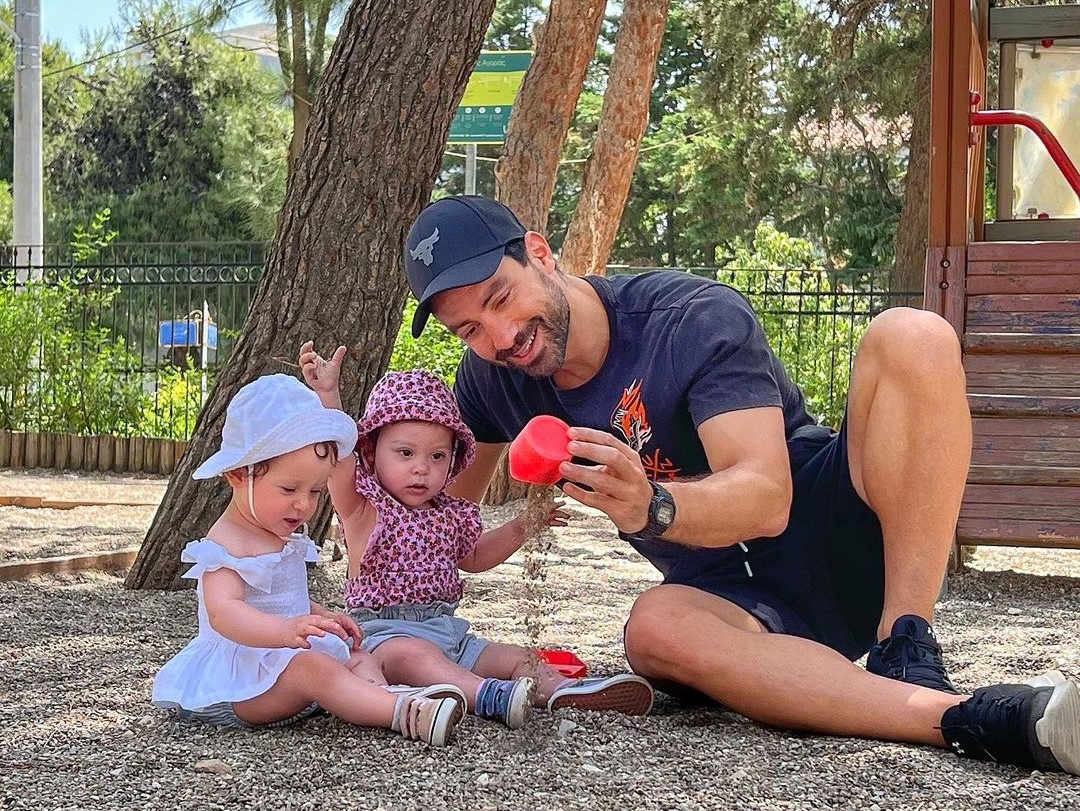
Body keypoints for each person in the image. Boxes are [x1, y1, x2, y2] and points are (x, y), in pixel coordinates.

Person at [397, 193, 1080, 775]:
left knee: (914, 333)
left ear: (540, 254)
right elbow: (439, 518)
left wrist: (652, 505)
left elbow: (766, 498)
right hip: (736, 606)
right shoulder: (492, 380)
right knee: (653, 630)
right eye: (470, 329)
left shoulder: (690, 318)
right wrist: (361, 515)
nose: (500, 336)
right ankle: (969, 718)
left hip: (840, 528)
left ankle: (907, 642)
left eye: (501, 298)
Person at [298, 347, 656, 728]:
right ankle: (488, 695)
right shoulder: (363, 508)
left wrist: (523, 526)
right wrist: (328, 396)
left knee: (517, 657)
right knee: (418, 658)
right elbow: (340, 459)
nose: (422, 468)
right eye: (405, 453)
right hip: (386, 637)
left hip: (449, 632)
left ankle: (563, 689)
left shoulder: (449, 513)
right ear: (373, 452)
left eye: (437, 456)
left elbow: (475, 557)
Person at [152, 374, 465, 746]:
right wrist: (285, 631)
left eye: (315, 491)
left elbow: (283, 599)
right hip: (239, 686)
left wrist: (322, 617)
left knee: (359, 655)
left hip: (285, 665)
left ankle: (379, 695)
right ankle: (401, 713)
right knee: (313, 667)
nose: (303, 504)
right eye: (289, 489)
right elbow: (224, 613)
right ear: (238, 475)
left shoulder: (279, 534)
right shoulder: (227, 542)